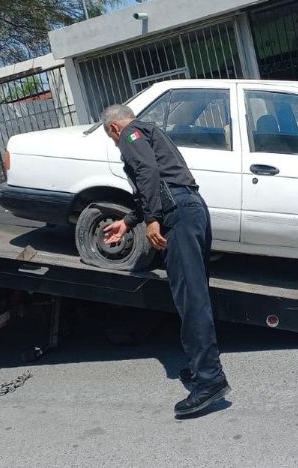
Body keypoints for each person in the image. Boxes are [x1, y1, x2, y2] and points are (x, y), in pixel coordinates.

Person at [99, 104, 231, 417]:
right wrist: (130, 221)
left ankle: (211, 380)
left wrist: (152, 220)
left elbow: (147, 172)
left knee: (191, 300)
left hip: (177, 215)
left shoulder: (130, 133)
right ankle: (203, 368)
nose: (117, 144)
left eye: (111, 139)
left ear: (113, 129)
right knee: (196, 295)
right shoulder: (150, 131)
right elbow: (159, 180)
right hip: (191, 208)